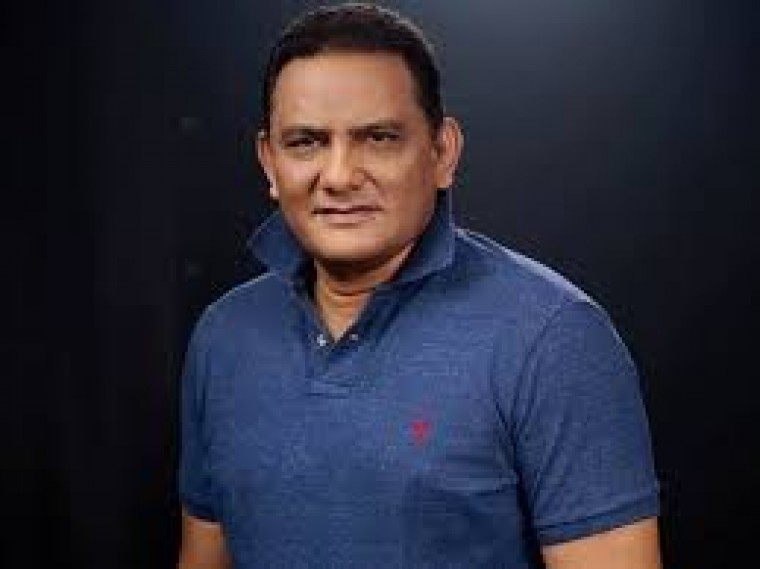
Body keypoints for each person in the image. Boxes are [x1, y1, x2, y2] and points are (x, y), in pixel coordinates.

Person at [177, 3, 662, 568]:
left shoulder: (553, 338)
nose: (339, 176)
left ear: (442, 153)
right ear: (268, 162)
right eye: (306, 142)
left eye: (379, 138)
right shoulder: (223, 337)